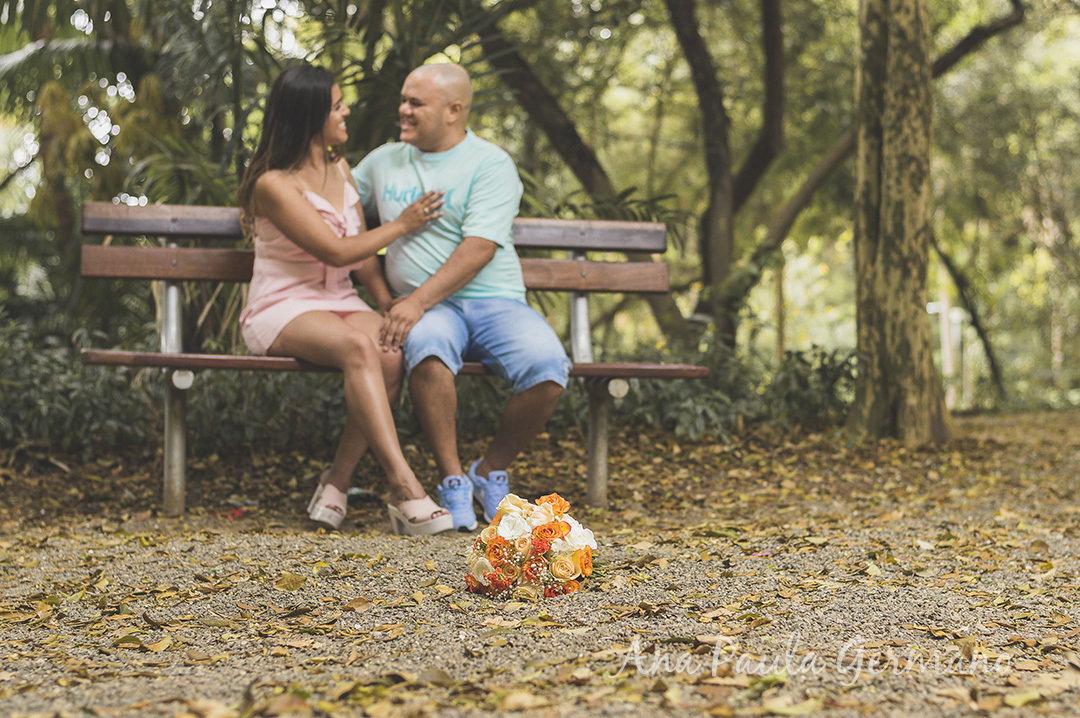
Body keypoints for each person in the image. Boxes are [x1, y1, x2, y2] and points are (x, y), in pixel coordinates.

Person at [236, 63, 453, 535]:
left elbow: (359, 263)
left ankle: (337, 480)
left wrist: (385, 304)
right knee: (359, 349)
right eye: (336, 105)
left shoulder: (340, 169)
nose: (346, 110)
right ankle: (404, 486)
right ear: (311, 116)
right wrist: (403, 223)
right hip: (283, 305)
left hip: (339, 300)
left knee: (390, 353)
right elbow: (334, 250)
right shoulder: (273, 185)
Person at [352, 63, 571, 532]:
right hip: (426, 308)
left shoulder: (490, 163)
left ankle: (489, 471)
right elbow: (337, 213)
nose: (403, 110)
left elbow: (479, 248)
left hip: (495, 300)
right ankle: (452, 479)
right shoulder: (382, 161)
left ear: (454, 110)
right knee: (428, 352)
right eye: (404, 99)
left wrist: (414, 302)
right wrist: (390, 296)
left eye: (416, 103)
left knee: (548, 368)